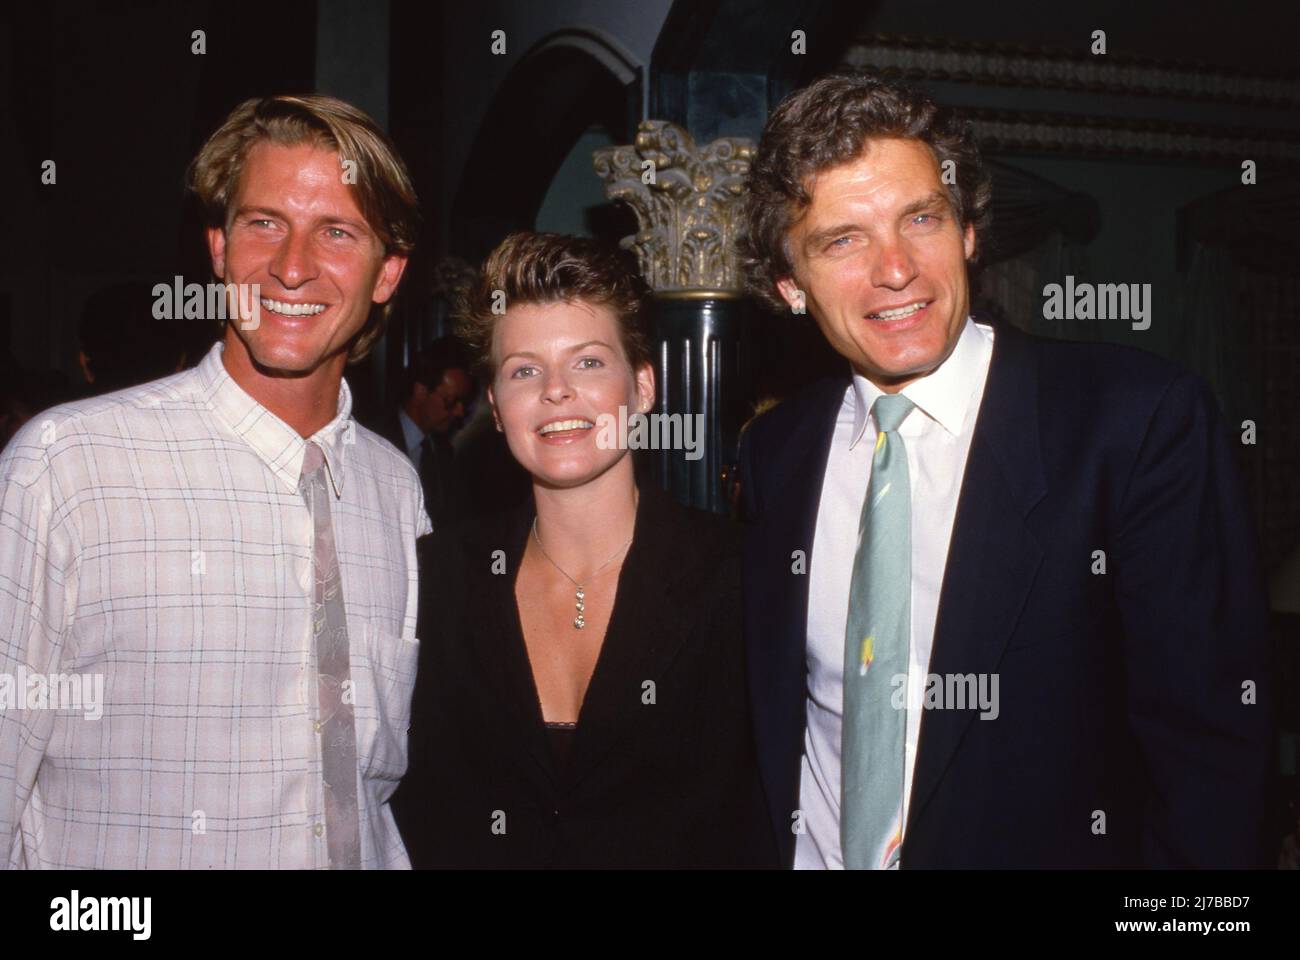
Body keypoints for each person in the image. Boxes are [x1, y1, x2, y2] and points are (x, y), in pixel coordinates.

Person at [736, 74, 1275, 869]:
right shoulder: (774, 451)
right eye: (843, 239)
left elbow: (1213, 760)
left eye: (921, 219)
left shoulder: (1135, 422)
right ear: (789, 284)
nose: (896, 270)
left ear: (968, 235)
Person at [0, 94, 427, 868]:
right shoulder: (68, 466)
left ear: (387, 272)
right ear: (220, 249)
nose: (292, 266)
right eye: (264, 222)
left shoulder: (396, 490)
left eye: (337, 231)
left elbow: (373, 786)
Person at [393, 232, 774, 868]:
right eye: (524, 370)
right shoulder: (439, 577)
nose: (556, 390)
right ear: (495, 404)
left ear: (643, 388)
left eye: (589, 362)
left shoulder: (741, 577)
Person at [370, 337, 474, 528]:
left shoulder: (443, 451)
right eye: (450, 401)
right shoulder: (375, 442)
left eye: (462, 403)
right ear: (420, 392)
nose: (459, 412)